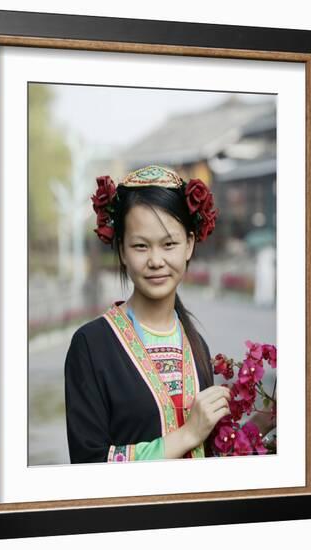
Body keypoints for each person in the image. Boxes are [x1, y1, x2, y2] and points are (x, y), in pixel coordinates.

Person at [64, 164, 232, 464]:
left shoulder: (195, 344)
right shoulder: (91, 346)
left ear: (189, 245)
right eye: (141, 246)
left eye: (169, 244)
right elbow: (88, 464)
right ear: (122, 251)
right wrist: (187, 435)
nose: (156, 260)